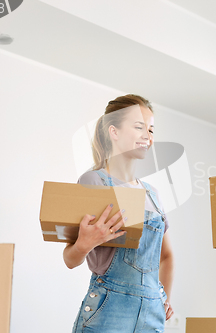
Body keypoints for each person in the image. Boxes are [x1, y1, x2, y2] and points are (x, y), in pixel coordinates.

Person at [63, 94, 174, 333]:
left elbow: (166, 256)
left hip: (152, 314)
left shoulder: (152, 193)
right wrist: (85, 243)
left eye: (151, 130)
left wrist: (163, 297)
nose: (147, 136)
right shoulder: (94, 181)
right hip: (109, 309)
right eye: (139, 127)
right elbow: (70, 259)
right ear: (114, 132)